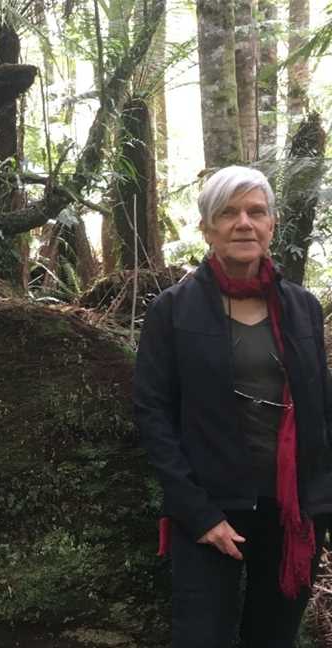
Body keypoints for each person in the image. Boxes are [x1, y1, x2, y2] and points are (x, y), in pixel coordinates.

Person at [134, 165, 332, 648]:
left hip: (292, 511)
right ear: (207, 228)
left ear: (271, 225)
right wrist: (197, 513)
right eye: (228, 213)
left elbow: (320, 407)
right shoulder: (174, 311)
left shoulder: (302, 307)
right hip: (211, 508)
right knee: (203, 636)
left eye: (255, 212)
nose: (244, 222)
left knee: (274, 636)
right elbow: (153, 414)